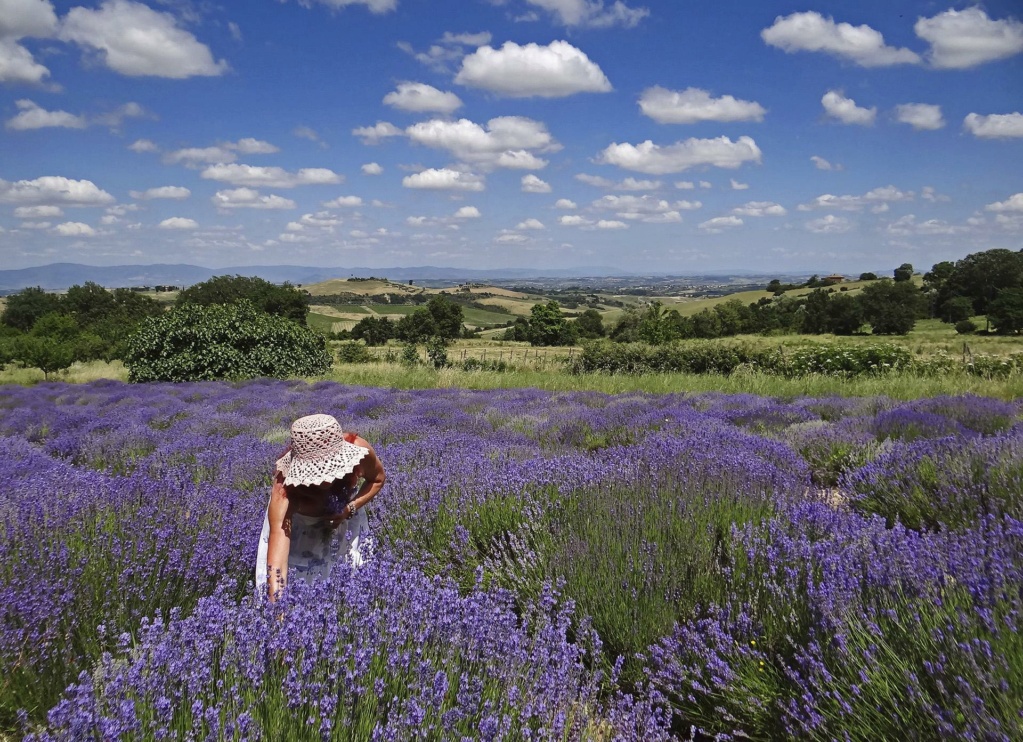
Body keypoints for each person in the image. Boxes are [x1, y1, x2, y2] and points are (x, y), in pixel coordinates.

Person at [255, 413, 386, 601]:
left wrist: (349, 508)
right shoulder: (284, 491)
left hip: (345, 523)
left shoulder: (358, 451)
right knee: (300, 586)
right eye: (316, 472)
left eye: (328, 469)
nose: (325, 478)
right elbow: (277, 566)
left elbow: (378, 479)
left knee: (350, 580)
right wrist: (278, 614)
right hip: (301, 536)